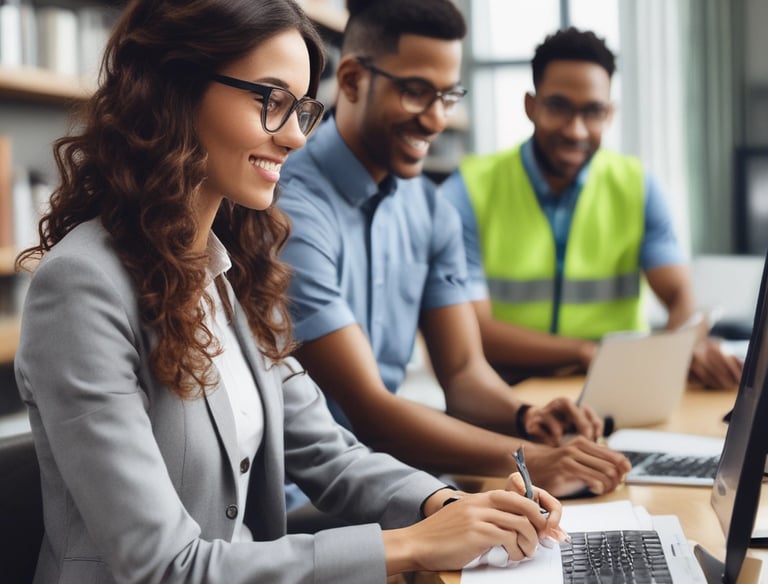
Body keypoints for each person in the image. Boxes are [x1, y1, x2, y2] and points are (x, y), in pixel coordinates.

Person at [13, 1, 570, 582]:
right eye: (271, 101)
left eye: (301, 109)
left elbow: (329, 454)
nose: (296, 138)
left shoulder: (228, 274)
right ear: (175, 89)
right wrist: (412, 545)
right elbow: (164, 566)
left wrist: (451, 507)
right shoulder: (81, 289)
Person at [278, 0, 630, 503]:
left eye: (448, 96)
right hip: (305, 499)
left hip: (388, 475)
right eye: (417, 92)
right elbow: (369, 411)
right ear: (352, 80)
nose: (436, 119)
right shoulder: (290, 206)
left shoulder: (429, 207)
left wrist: (525, 417)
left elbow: (464, 373)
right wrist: (530, 460)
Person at [441, 27, 743, 389]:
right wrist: (586, 352)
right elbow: (472, 330)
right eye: (559, 107)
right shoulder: (469, 189)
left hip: (619, 390)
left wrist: (682, 351)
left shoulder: (637, 187)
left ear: (610, 114)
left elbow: (681, 297)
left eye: (593, 112)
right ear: (531, 106)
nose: (576, 130)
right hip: (504, 392)